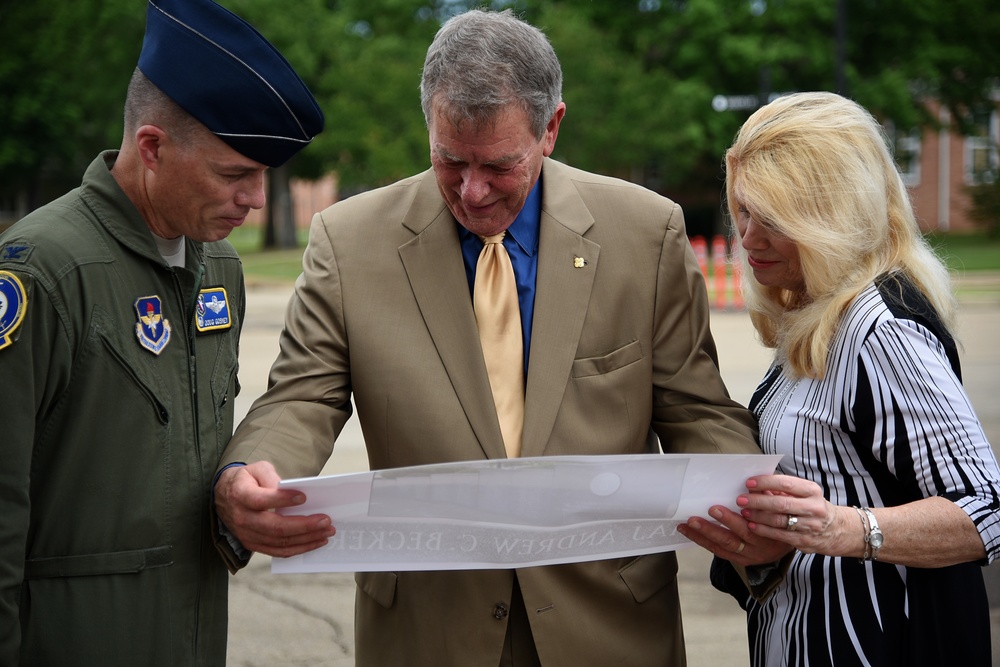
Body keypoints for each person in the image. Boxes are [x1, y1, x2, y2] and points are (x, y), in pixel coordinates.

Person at [212, 8, 760, 667]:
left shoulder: (646, 235)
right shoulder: (347, 242)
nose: (472, 192)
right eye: (449, 160)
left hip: (607, 626)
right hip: (427, 629)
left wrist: (748, 499)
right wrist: (251, 474)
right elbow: (301, 394)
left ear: (552, 126)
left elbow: (696, 407)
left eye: (499, 166)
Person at [0, 0, 323, 663]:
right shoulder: (45, 271)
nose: (257, 200)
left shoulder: (220, 268)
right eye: (235, 174)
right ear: (152, 146)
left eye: (264, 175)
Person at [678, 91, 1000, 666]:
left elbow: (986, 510)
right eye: (743, 211)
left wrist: (846, 528)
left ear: (833, 213)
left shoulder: (878, 328)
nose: (748, 237)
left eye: (772, 218)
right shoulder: (817, 313)